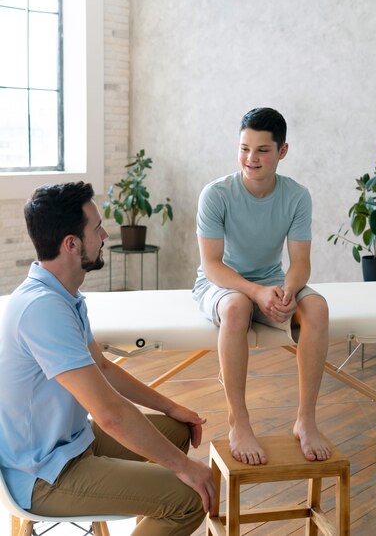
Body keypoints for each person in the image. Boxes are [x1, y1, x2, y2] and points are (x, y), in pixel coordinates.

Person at [0, 182, 215, 536]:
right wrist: (184, 469)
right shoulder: (42, 309)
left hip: (72, 444)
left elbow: (102, 367)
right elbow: (110, 414)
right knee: (189, 498)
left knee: (175, 432)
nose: (104, 234)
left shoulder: (64, 296)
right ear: (72, 244)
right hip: (43, 475)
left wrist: (172, 407)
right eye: (96, 228)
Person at [192, 107, 331, 466]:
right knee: (237, 307)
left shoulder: (297, 196)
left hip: (271, 282)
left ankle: (305, 419)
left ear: (282, 151)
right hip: (221, 284)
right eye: (244, 148)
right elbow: (212, 265)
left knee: (316, 307)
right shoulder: (216, 194)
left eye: (262, 150)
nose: (250, 159)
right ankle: (239, 421)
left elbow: (300, 263)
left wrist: (285, 292)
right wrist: (255, 292)